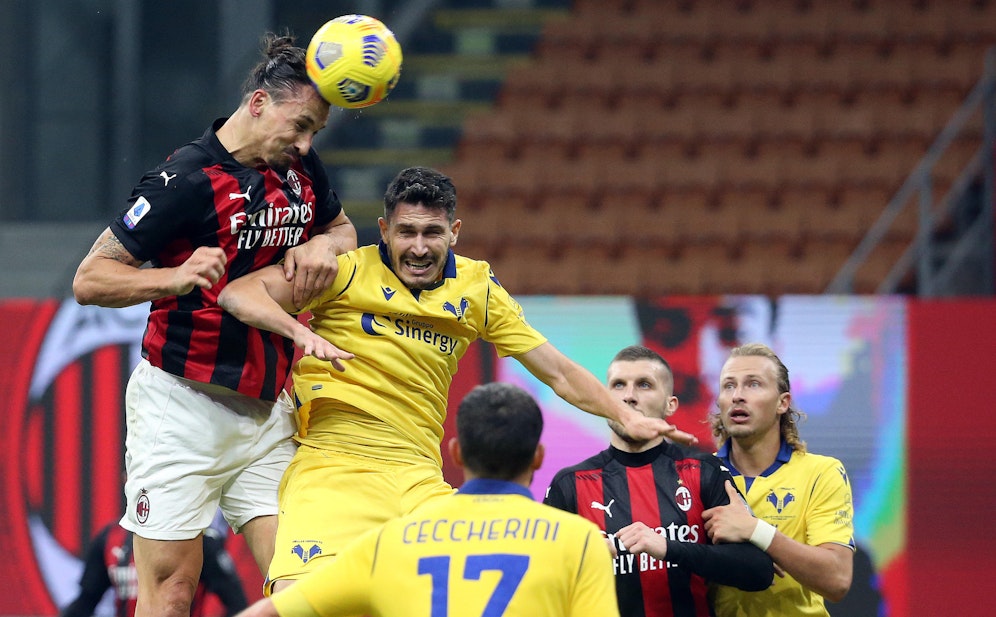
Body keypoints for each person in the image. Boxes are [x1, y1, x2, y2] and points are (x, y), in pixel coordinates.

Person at [216, 166, 696, 592]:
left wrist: (623, 417)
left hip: (420, 477)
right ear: (383, 230)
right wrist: (302, 333)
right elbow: (239, 294)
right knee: (300, 603)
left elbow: (557, 370)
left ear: (455, 231)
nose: (419, 248)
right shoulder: (341, 273)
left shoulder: (477, 289)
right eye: (405, 232)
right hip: (334, 467)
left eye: (432, 233)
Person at [72, 32, 357, 617]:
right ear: (258, 103)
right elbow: (90, 279)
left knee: (307, 591)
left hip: (268, 415)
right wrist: (172, 278)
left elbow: (344, 229)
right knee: (173, 596)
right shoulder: (183, 181)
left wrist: (328, 246)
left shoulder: (299, 171)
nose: (305, 145)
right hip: (181, 411)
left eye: (315, 134)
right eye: (299, 125)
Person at [234, 382, 620, 617]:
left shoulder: (389, 544)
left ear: (456, 453)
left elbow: (275, 611)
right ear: (538, 456)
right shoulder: (579, 542)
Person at [543, 345, 774, 617]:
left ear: (670, 404)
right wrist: (582, 559)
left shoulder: (703, 470)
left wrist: (667, 547)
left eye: (644, 385)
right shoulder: (570, 484)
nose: (628, 396)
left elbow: (758, 571)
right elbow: (539, 578)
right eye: (618, 385)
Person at [701, 343, 855, 617]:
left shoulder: (822, 473)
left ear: (783, 402)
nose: (737, 396)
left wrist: (755, 531)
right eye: (728, 386)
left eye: (753, 384)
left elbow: (837, 580)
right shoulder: (695, 475)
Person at [61, 523, 248, 617]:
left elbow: (236, 602)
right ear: (126, 479)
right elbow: (86, 602)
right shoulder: (109, 538)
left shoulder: (201, 539)